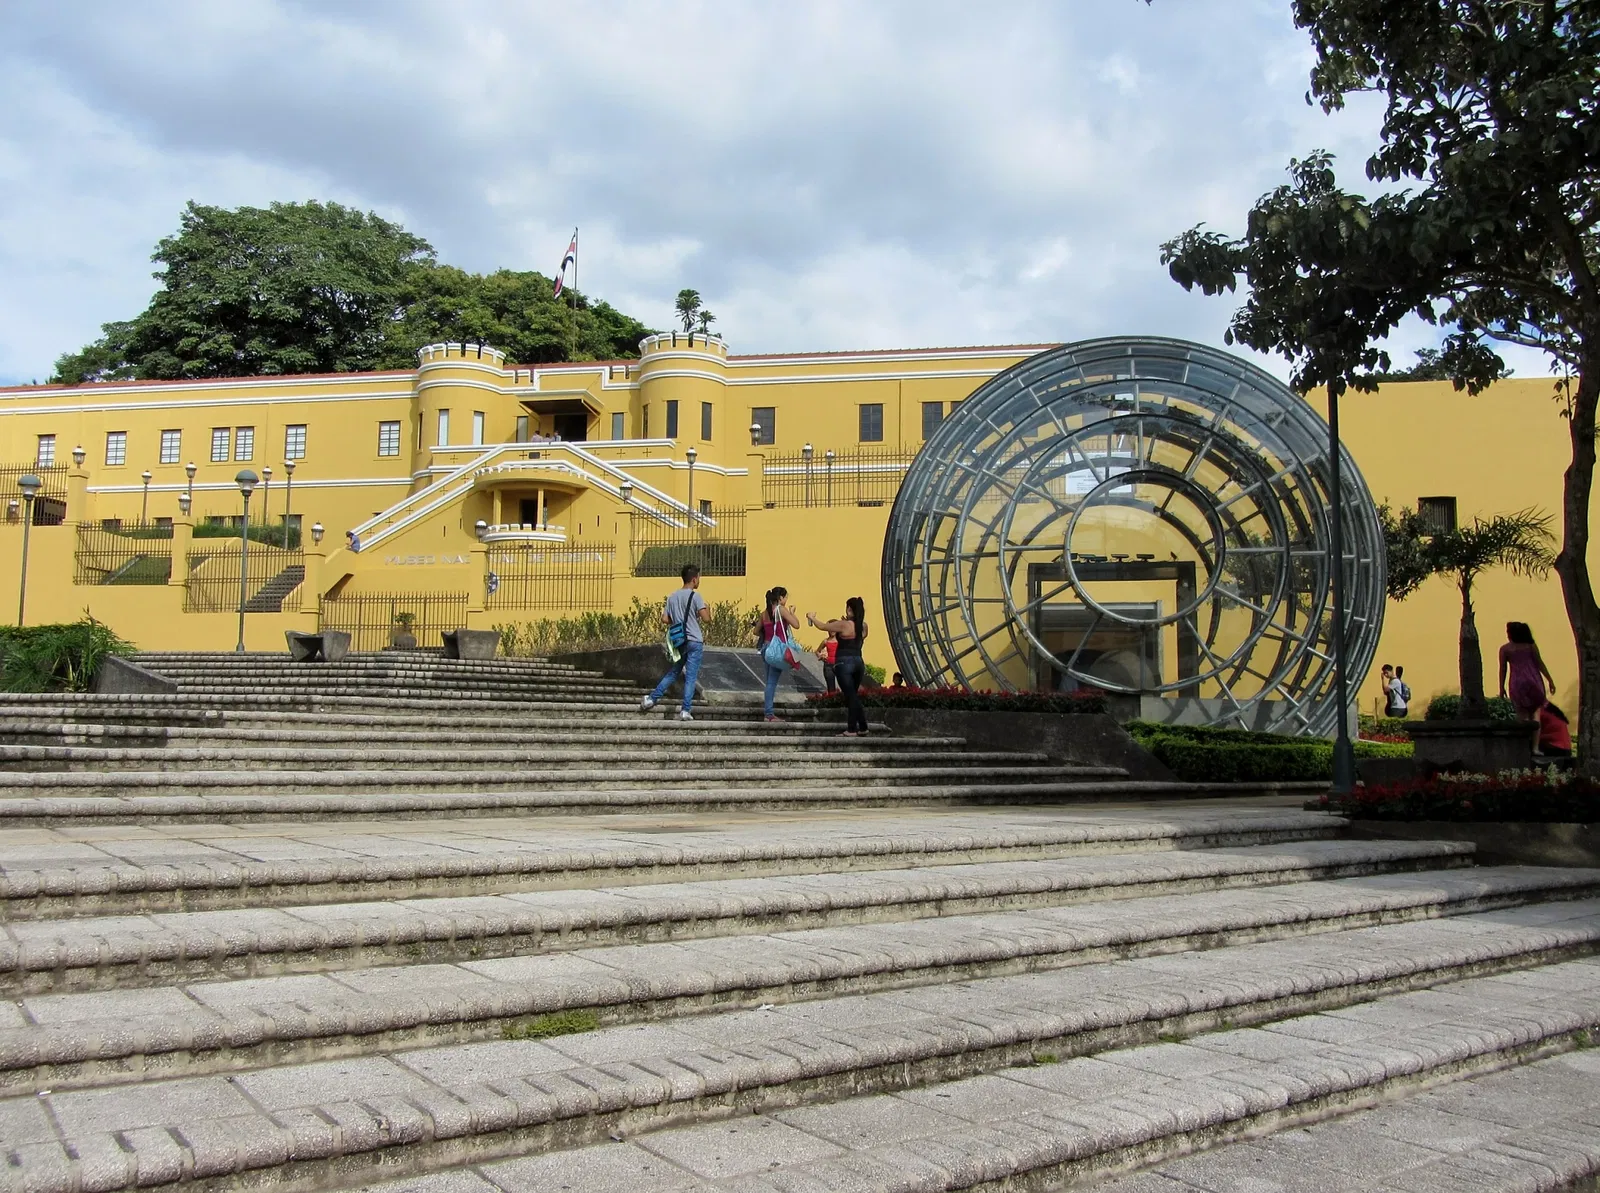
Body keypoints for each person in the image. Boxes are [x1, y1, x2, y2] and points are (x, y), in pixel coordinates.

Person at [640, 563, 708, 722]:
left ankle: (652, 698)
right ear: (693, 579)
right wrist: (707, 610)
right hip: (695, 640)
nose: (699, 581)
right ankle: (685, 710)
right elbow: (706, 618)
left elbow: (664, 619)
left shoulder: (672, 597)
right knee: (691, 677)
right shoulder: (695, 597)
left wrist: (678, 620)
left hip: (680, 640)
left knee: (674, 671)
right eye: (698, 578)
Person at [808, 596, 868, 737]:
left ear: (849, 609)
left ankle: (852, 729)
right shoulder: (863, 626)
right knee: (853, 695)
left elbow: (822, 626)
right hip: (858, 662)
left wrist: (812, 617)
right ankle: (863, 727)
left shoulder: (843, 625)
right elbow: (862, 636)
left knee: (850, 696)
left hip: (844, 662)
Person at [758, 587, 801, 722]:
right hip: (776, 650)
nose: (786, 600)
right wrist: (792, 613)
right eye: (786, 597)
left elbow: (755, 631)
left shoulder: (765, 613)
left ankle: (768, 712)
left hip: (766, 648)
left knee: (769, 682)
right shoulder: (781, 609)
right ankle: (769, 714)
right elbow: (796, 625)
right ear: (781, 598)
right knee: (771, 682)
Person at [1499, 621, 1557, 720]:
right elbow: (1539, 663)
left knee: (1522, 714)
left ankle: (1524, 735)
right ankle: (1535, 735)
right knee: (1536, 714)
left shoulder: (1505, 649)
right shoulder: (1530, 646)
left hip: (1517, 683)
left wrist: (1501, 687)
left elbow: (1503, 669)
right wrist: (1550, 680)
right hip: (1534, 680)